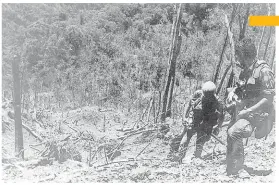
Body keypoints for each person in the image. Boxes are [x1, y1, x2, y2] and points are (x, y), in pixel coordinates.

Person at [225, 37, 275, 175]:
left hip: (260, 116)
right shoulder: (246, 71)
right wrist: (233, 92)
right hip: (246, 113)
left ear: (246, 56)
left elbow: (268, 98)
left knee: (234, 131)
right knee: (229, 130)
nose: (237, 59)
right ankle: (231, 167)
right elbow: (241, 86)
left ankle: (239, 168)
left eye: (239, 55)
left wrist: (248, 111)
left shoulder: (264, 71)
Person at [178, 81, 224, 162]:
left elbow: (221, 114)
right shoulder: (198, 94)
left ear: (213, 93)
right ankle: (180, 157)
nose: (207, 97)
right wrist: (184, 117)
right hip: (194, 119)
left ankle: (197, 158)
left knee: (201, 139)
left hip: (205, 122)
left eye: (209, 95)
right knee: (186, 138)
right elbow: (188, 104)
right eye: (205, 94)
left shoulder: (217, 100)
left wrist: (218, 126)